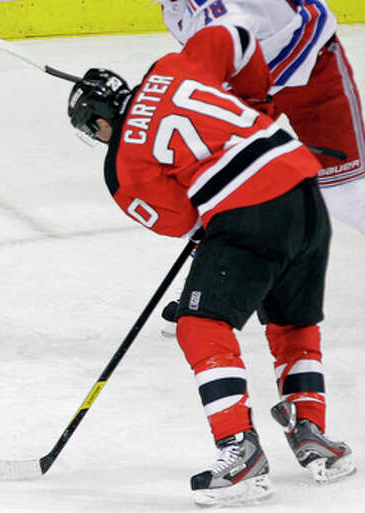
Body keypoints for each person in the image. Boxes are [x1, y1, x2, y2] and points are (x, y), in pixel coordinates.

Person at [67, 24, 354, 506]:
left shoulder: (122, 167)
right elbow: (235, 37)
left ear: (98, 123)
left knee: (199, 324)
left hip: (251, 214)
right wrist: (257, 109)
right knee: (291, 322)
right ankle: (311, 432)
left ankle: (240, 451)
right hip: (304, 191)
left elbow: (178, 219)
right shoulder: (172, 66)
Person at [157, 0, 365, 235]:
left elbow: (233, 36)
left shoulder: (216, 12)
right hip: (251, 84)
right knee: (214, 181)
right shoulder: (176, 9)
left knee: (345, 193)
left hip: (311, 66)